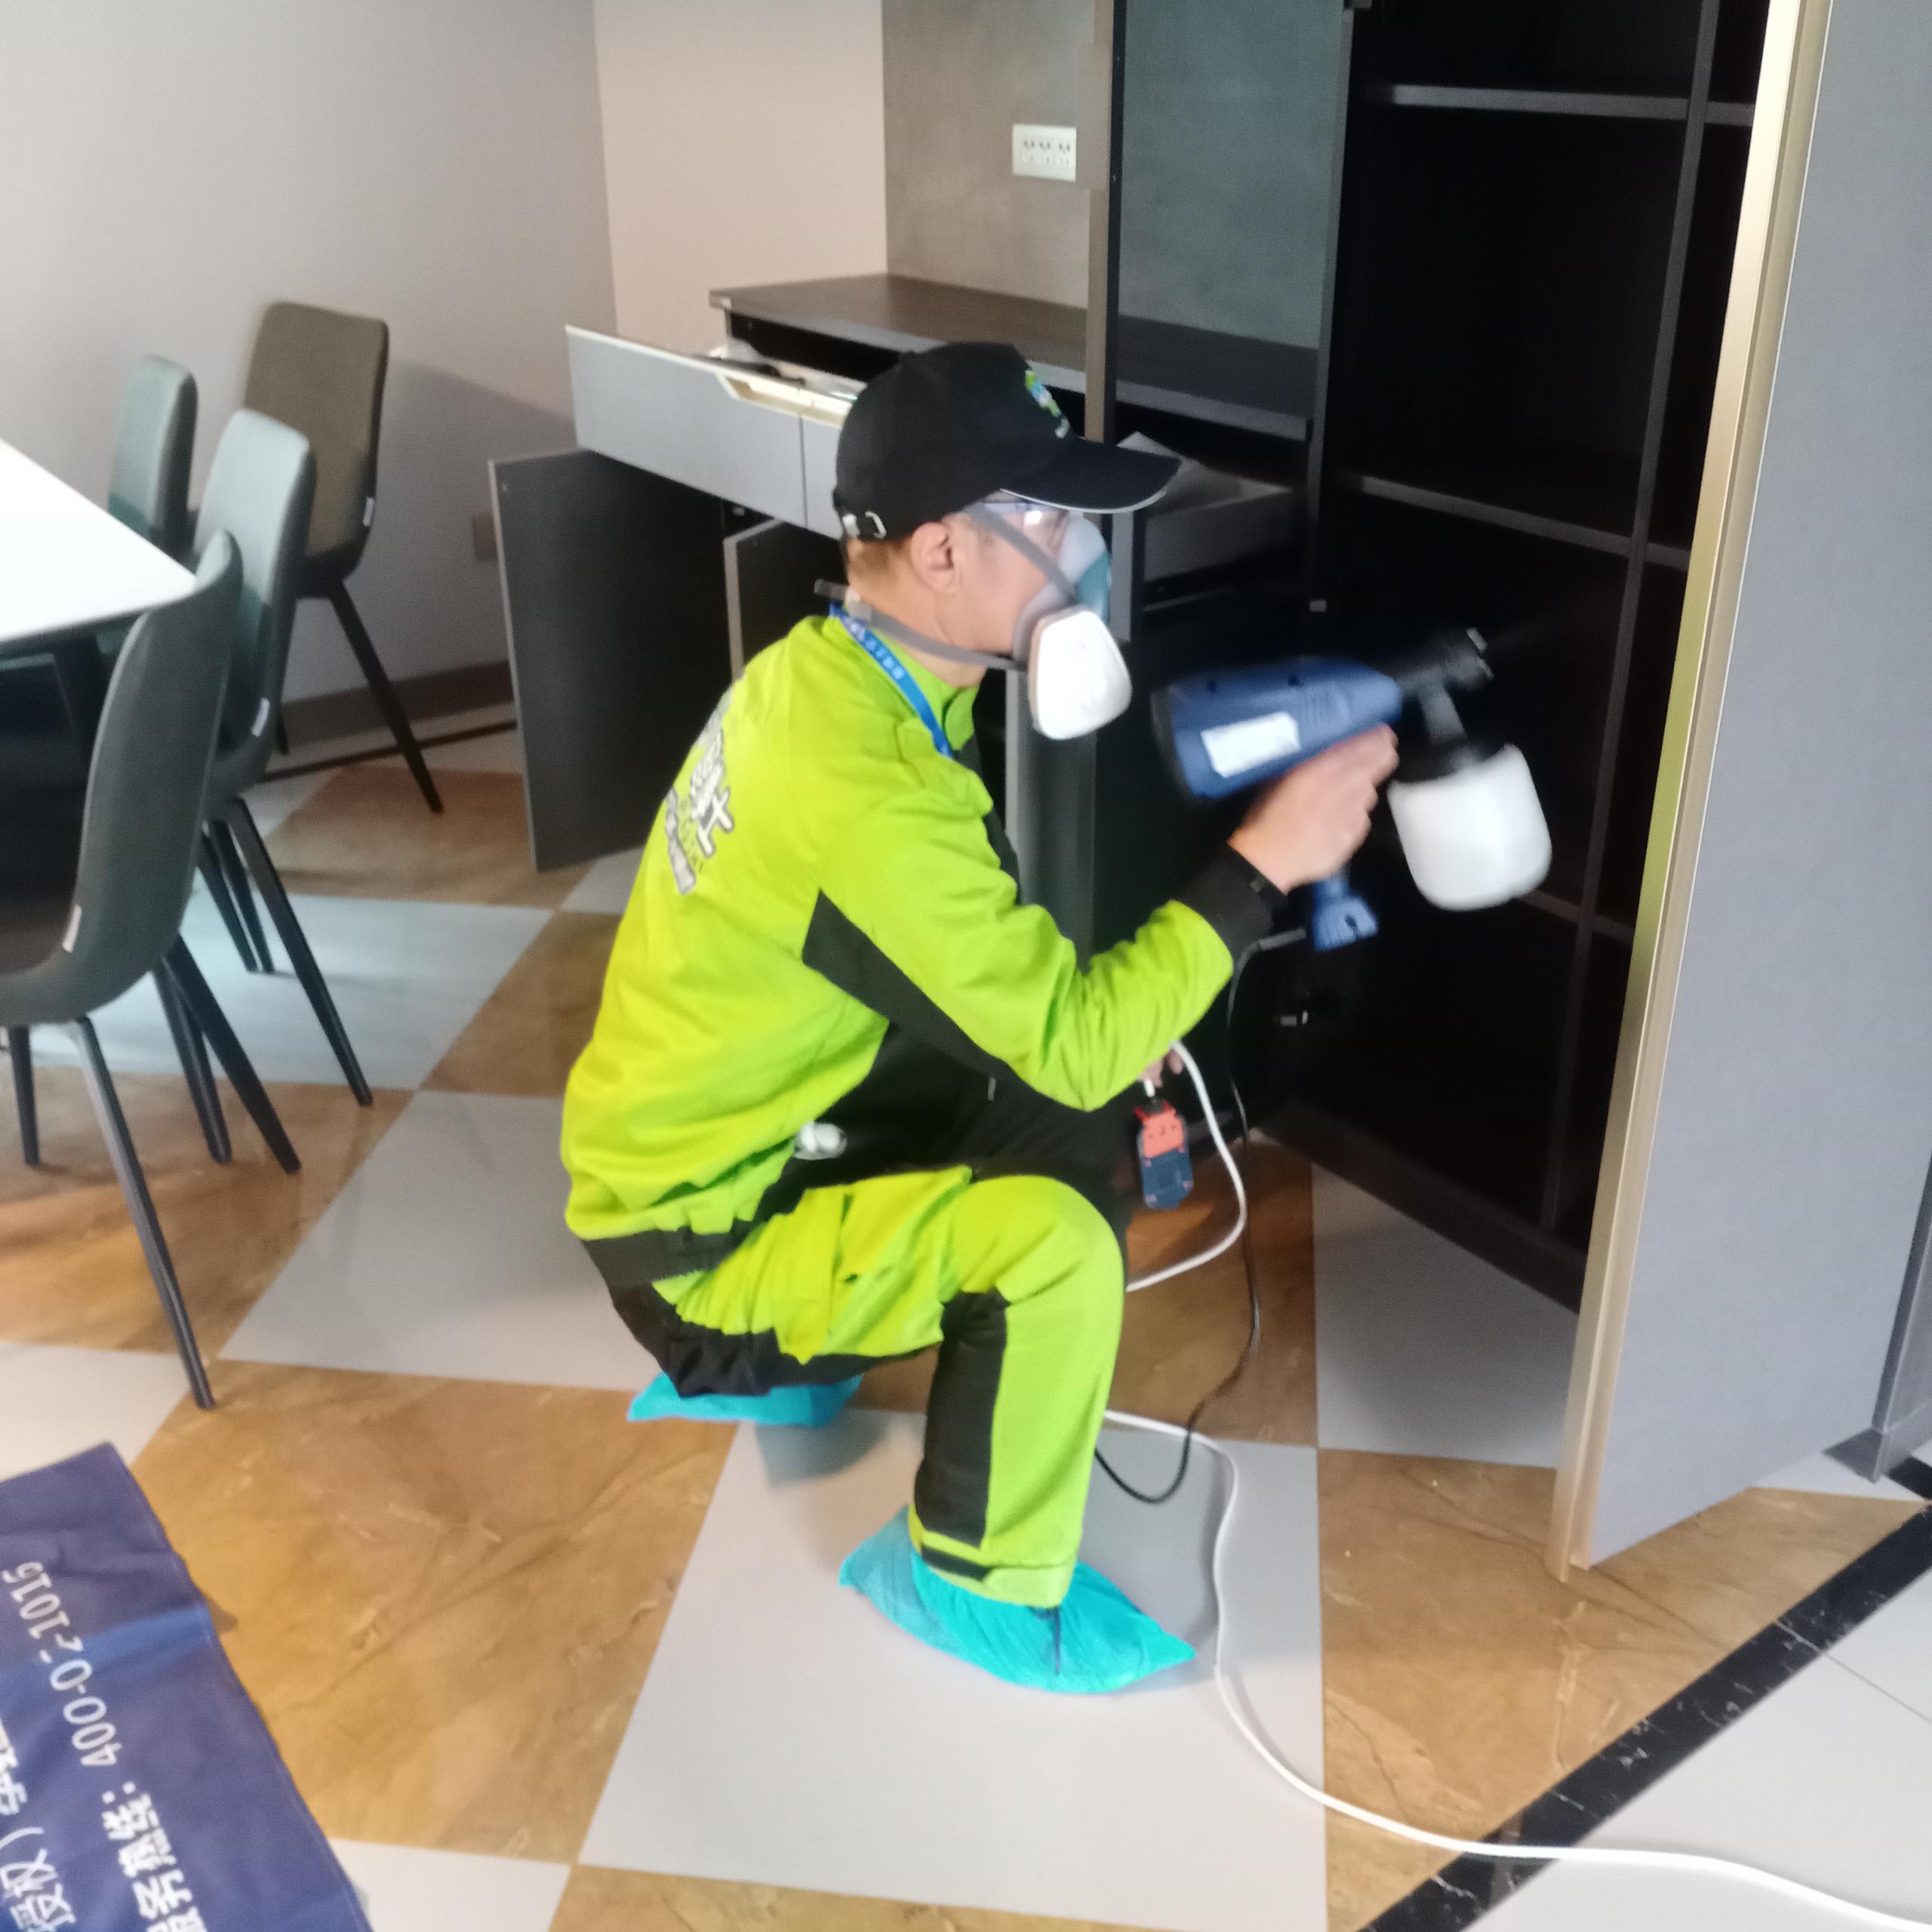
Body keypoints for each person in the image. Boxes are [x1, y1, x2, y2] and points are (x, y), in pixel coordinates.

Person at [561, 341, 1395, 1692]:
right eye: (1053, 521)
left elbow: (982, 984)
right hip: (699, 1250)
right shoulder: (862, 789)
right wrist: (1262, 867)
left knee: (1087, 1108)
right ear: (943, 551)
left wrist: (1113, 1026)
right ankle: (969, 1577)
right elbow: (1072, 1034)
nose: (1084, 555)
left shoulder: (832, 676)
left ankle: (816, 1355)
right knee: (1057, 1244)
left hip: (713, 1140)